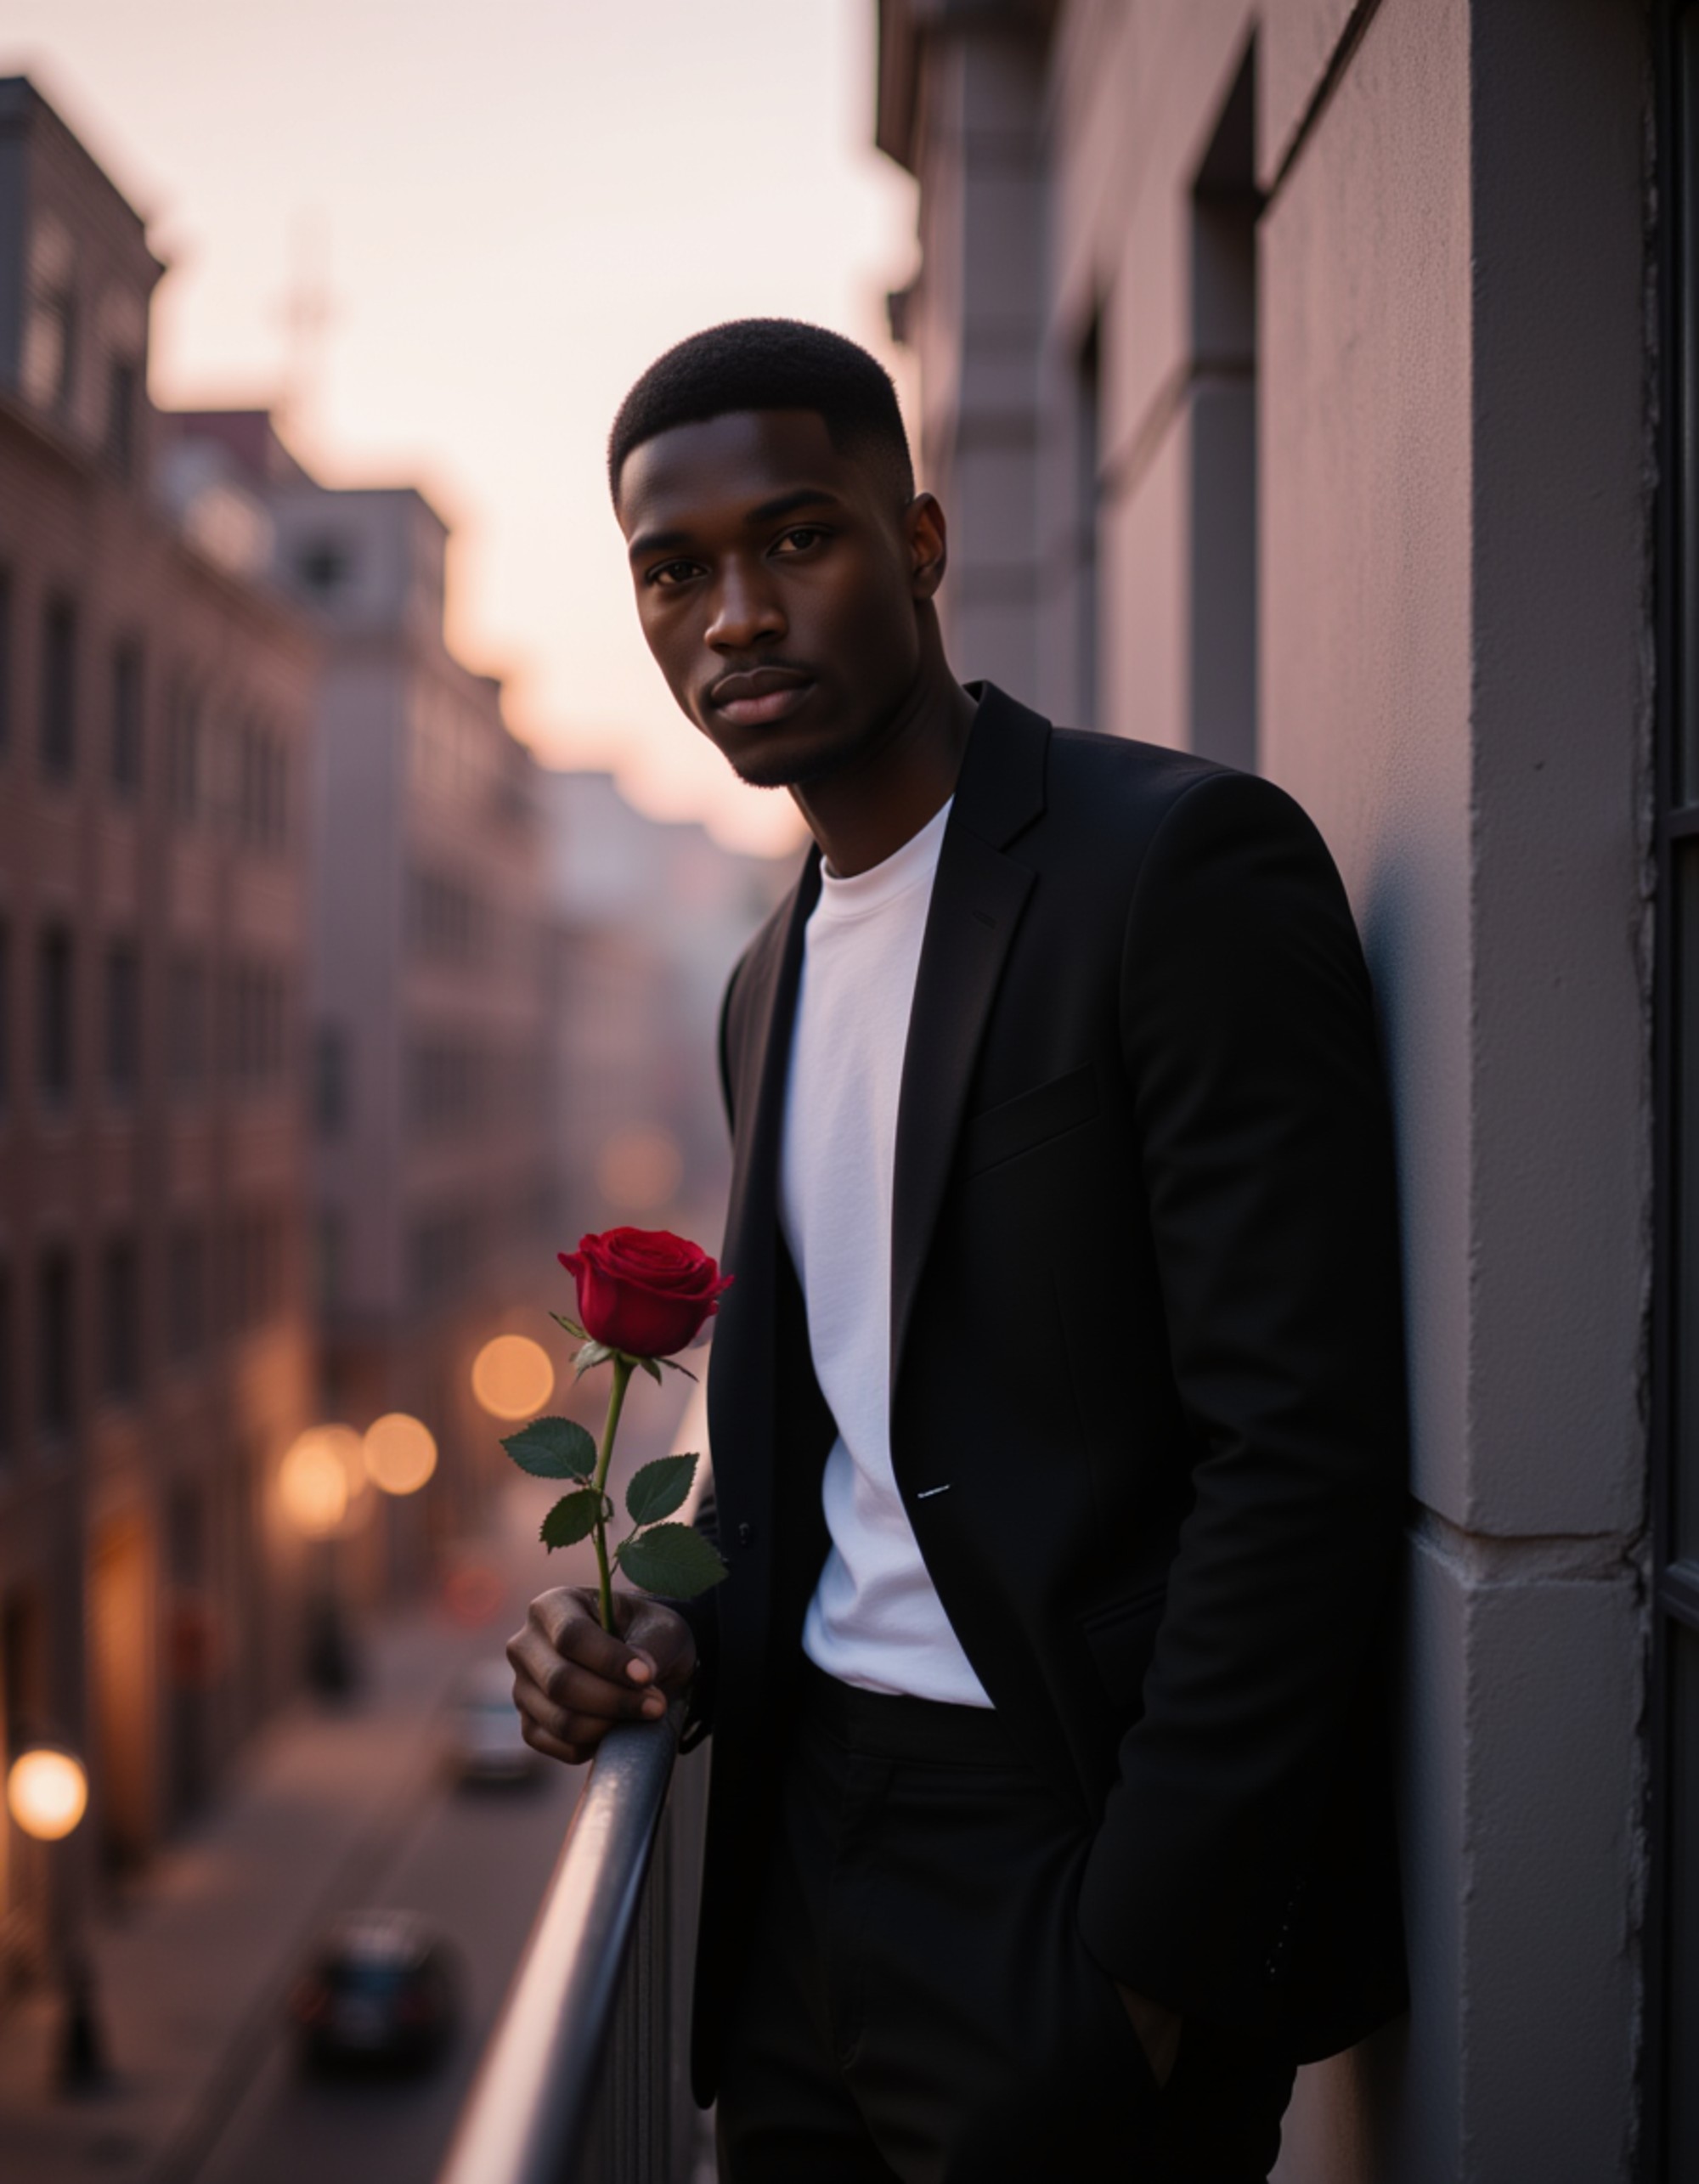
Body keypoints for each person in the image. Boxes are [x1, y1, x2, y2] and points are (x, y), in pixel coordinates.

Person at [508, 319, 1408, 2182]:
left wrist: (1148, 1961)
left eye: (797, 537)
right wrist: (665, 1626)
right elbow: (834, 1453)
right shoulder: (763, 978)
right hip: (804, 1865)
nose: (735, 616)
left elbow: (1299, 1451)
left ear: (918, 543)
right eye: (673, 572)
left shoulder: (1175, 865)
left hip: (1067, 1856)